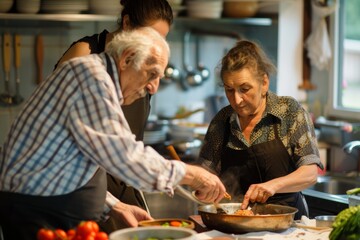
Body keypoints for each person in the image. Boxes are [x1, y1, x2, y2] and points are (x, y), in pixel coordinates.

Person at [0, 28, 227, 240]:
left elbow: (69, 163)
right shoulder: (91, 78)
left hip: (51, 211)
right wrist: (195, 175)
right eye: (152, 74)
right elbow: (126, 156)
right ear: (127, 59)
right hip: (38, 216)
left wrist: (113, 205)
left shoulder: (97, 78)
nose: (154, 87)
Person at [54, 0, 174, 232]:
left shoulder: (141, 68)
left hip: (123, 184)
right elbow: (66, 142)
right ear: (127, 23)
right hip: (80, 187)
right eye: (149, 38)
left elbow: (129, 140)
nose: (154, 48)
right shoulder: (86, 57)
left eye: (161, 40)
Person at [196, 40, 324, 220]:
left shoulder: (289, 112)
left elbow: (310, 174)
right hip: (236, 221)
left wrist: (274, 185)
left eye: (245, 89)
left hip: (286, 224)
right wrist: (201, 185)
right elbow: (204, 173)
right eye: (229, 90)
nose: (237, 99)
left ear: (264, 82)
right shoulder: (222, 121)